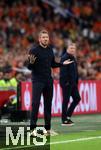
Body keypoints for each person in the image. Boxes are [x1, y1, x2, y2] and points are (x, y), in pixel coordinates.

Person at [27, 29, 73, 136]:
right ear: (39, 39)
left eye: (46, 37)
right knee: (35, 104)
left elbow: (53, 64)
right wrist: (31, 63)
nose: (45, 39)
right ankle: (32, 129)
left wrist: (62, 63)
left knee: (48, 105)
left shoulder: (50, 50)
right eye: (43, 37)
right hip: (38, 80)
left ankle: (47, 129)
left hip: (48, 81)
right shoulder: (34, 50)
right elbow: (29, 67)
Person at [60, 43, 81, 126]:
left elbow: (75, 71)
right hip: (67, 83)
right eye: (71, 48)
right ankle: (64, 119)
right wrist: (66, 82)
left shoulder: (73, 58)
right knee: (66, 100)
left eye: (73, 48)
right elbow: (63, 72)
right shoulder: (65, 57)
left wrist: (76, 82)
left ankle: (67, 116)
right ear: (67, 49)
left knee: (77, 98)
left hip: (73, 83)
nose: (72, 49)